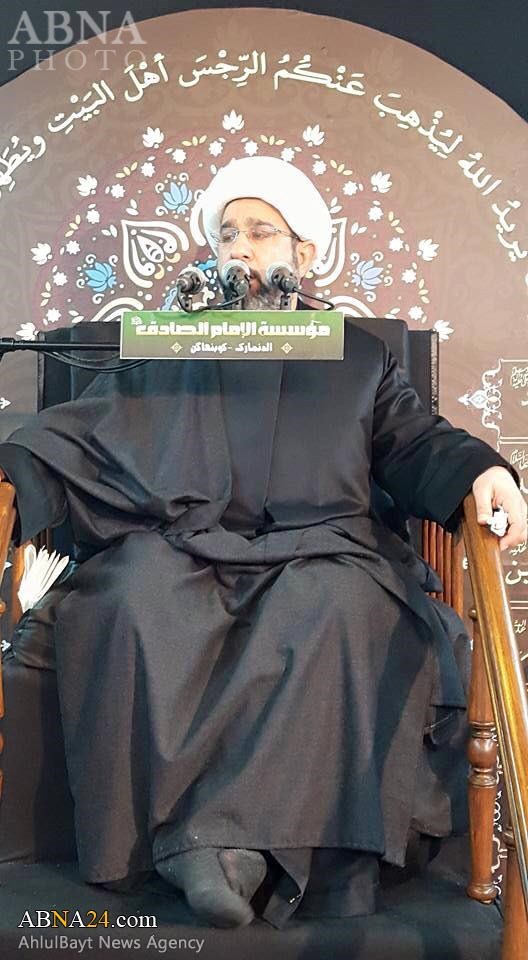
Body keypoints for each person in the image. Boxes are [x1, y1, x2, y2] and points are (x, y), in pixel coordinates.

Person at [0, 156, 525, 930]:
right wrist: (17, 466)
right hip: (182, 547)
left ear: (302, 253)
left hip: (323, 548)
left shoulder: (359, 356)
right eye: (225, 235)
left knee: (336, 602)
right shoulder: (170, 347)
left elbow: (416, 443)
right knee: (128, 594)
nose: (238, 248)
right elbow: (89, 434)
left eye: (259, 231)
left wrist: (481, 472)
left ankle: (240, 851)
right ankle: (186, 848)